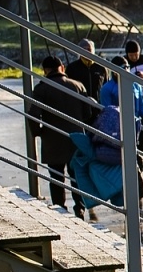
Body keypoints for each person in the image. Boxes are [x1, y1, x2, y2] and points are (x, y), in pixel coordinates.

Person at [29, 54, 95, 214]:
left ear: (45, 70)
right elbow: (88, 113)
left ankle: (60, 208)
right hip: (76, 139)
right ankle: (79, 208)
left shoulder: (41, 89)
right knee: (77, 176)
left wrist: (38, 132)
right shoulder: (78, 86)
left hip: (53, 141)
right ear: (62, 68)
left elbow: (33, 115)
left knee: (56, 178)